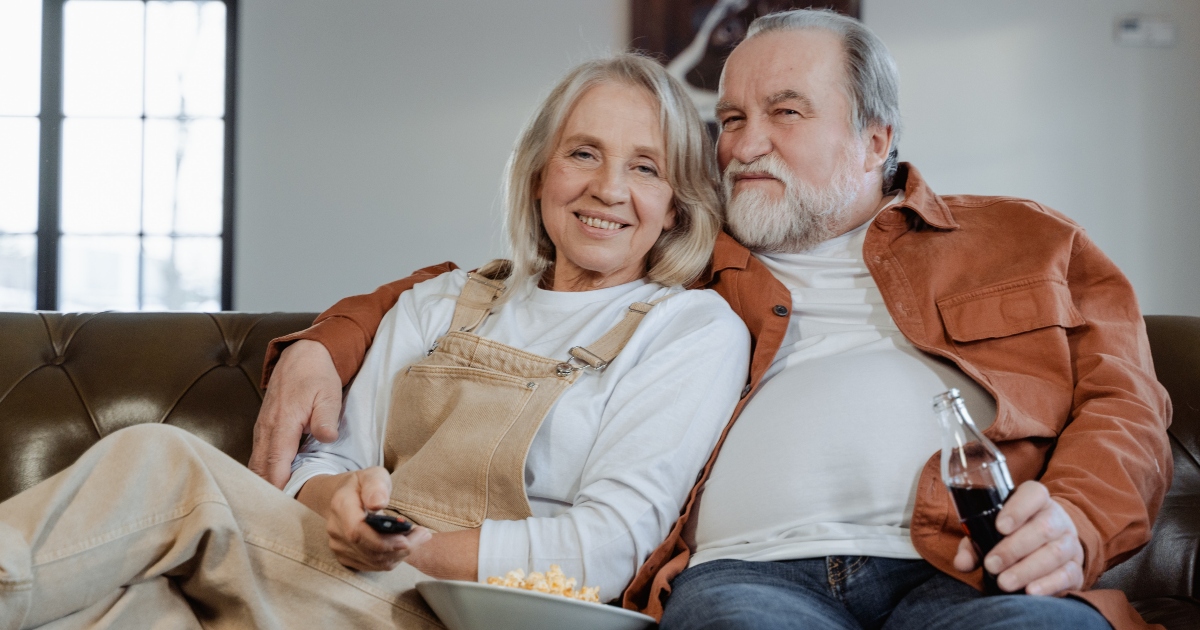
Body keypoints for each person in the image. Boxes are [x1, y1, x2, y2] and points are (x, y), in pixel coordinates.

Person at [250, 9, 1173, 630]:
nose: (745, 143)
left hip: (971, 574)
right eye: (730, 118)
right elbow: (501, 281)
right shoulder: (689, 247)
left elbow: (1128, 406)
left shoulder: (1026, 240)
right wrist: (327, 344)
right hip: (746, 580)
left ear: (877, 138)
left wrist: (1082, 519)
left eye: (784, 111)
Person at [0, 54, 751, 629]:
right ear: (537, 175)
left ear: (676, 205)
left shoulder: (687, 331)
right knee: (137, 611)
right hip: (339, 576)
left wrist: (408, 546)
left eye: (645, 167)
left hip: (474, 613)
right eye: (583, 153)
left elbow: (603, 551)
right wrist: (339, 505)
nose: (609, 189)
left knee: (161, 461)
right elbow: (320, 462)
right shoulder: (442, 302)